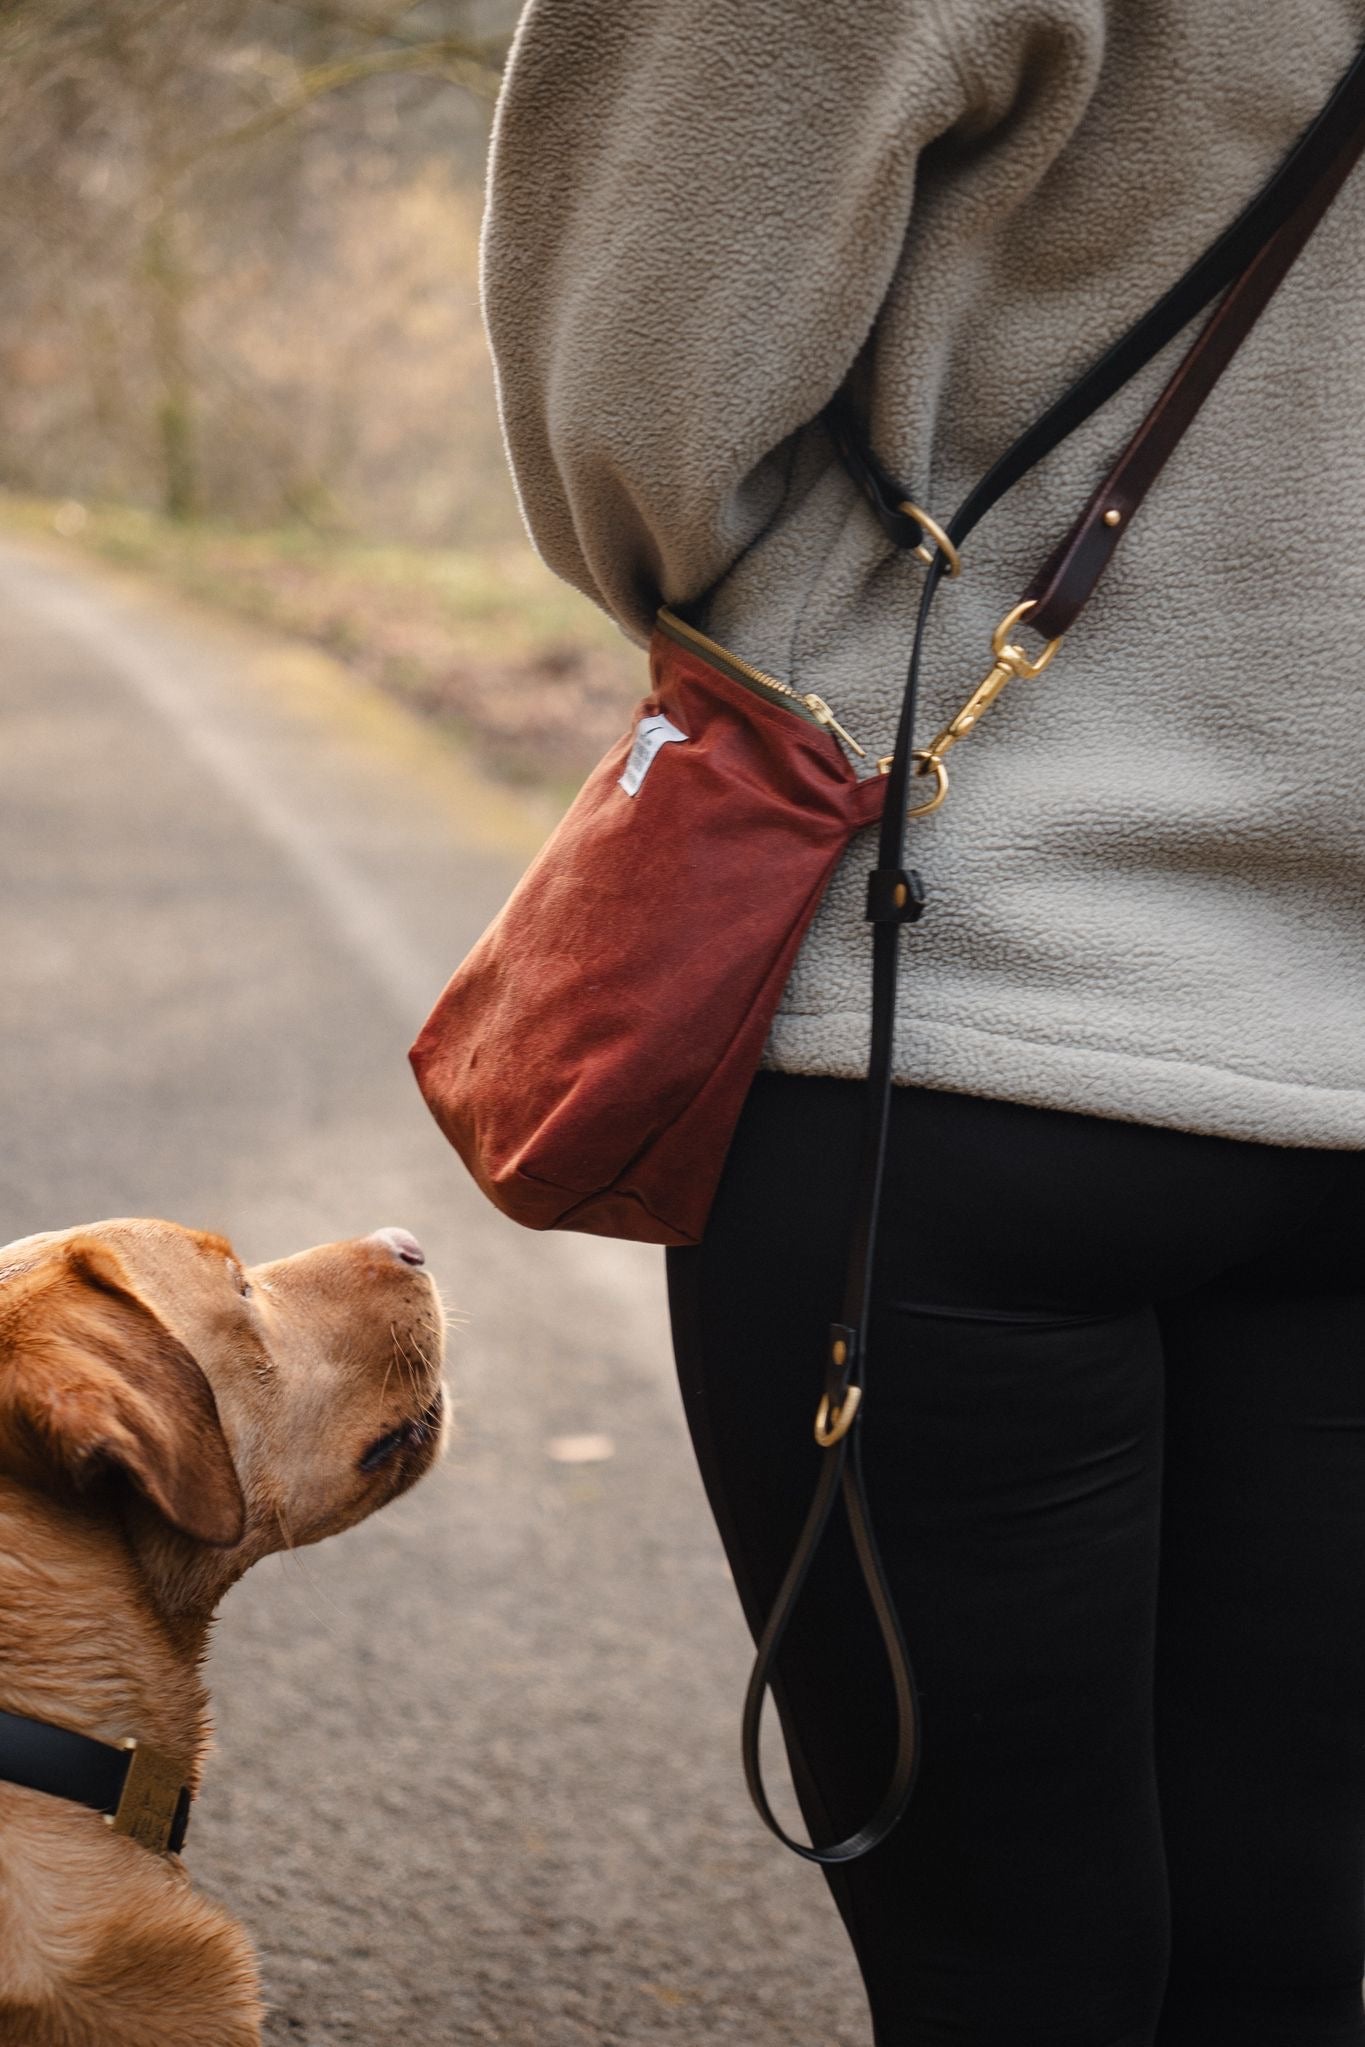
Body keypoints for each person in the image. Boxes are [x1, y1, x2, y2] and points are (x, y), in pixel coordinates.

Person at [479, 3, 1365, 2041]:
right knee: (1272, 1948)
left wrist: (829, 608)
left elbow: (643, 386)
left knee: (1004, 1971)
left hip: (948, 1014)